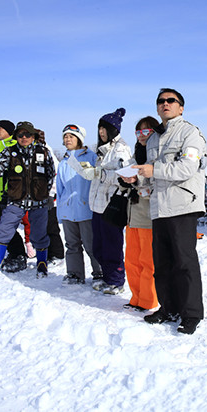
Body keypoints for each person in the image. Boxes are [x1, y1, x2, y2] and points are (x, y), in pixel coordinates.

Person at [135, 88, 207, 335]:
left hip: (183, 205)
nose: (165, 104)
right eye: (160, 101)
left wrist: (153, 171)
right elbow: (151, 176)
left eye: (170, 101)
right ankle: (168, 308)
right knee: (162, 263)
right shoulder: (154, 139)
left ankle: (191, 314)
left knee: (184, 262)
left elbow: (186, 168)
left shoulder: (191, 133)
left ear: (181, 107)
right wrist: (136, 180)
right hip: (159, 207)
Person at [67, 108, 131, 294]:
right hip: (97, 205)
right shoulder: (101, 149)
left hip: (112, 205)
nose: (102, 132)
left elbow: (123, 175)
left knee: (112, 245)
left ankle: (116, 280)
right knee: (99, 245)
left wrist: (98, 173)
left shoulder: (121, 149)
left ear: (114, 130)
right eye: (100, 128)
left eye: (106, 128)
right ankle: (106, 277)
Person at [0, 121, 56, 276]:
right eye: (20, 135)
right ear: (16, 136)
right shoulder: (9, 152)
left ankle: (42, 264)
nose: (24, 137)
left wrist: (46, 193)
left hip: (39, 200)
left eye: (27, 134)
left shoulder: (43, 151)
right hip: (16, 199)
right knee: (3, 229)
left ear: (33, 136)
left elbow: (51, 174)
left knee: (38, 234)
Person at [119, 116, 160, 312]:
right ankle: (135, 297)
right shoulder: (135, 156)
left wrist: (137, 181)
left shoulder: (157, 157)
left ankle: (148, 300)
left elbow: (159, 182)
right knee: (132, 261)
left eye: (147, 131)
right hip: (132, 213)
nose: (142, 136)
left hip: (149, 215)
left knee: (148, 262)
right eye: (138, 132)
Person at [56, 124, 102, 284]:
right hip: (68, 211)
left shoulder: (91, 157)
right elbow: (60, 190)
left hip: (87, 210)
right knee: (72, 245)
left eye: (71, 136)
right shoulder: (63, 162)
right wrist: (60, 213)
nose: (67, 139)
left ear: (79, 139)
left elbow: (97, 181)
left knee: (91, 245)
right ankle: (75, 274)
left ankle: (99, 273)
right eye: (65, 137)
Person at [0, 120, 28, 265]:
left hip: (11, 193)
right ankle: (2, 254)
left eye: (0, 128)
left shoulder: (14, 147)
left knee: (7, 226)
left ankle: (18, 254)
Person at [35, 128, 65, 262]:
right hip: (36, 197)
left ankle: (57, 254)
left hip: (48, 197)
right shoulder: (31, 151)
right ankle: (45, 253)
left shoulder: (45, 151)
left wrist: (51, 194)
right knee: (40, 226)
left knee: (50, 226)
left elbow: (54, 174)